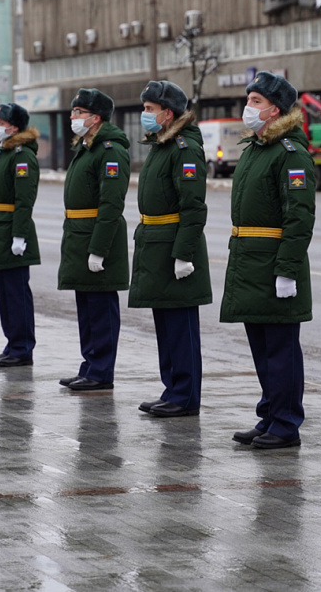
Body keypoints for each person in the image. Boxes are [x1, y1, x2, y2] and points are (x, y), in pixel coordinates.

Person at [221, 71, 315, 449]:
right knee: (262, 347)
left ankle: (286, 423)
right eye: (248, 100)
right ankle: (270, 414)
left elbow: (299, 216)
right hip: (249, 262)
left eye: (255, 102)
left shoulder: (290, 154)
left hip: (274, 264)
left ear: (274, 109)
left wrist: (287, 270)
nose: (248, 107)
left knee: (281, 350)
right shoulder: (257, 149)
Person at [129, 81, 211, 417]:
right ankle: (172, 388)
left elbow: (193, 207)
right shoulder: (162, 146)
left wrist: (184, 254)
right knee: (165, 323)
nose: (144, 114)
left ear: (169, 113)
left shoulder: (184, 148)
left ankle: (185, 395)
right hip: (155, 243)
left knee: (180, 326)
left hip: (173, 247)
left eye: (149, 109)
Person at [57, 89, 130, 391]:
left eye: (79, 112)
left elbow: (111, 204)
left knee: (100, 310)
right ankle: (90, 365)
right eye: (73, 111)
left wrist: (98, 249)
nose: (73, 117)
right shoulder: (88, 148)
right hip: (78, 236)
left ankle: (101, 371)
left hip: (96, 239)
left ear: (96, 118)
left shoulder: (109, 150)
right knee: (87, 310)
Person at [0, 103, 40, 367]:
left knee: (16, 292)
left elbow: (24, 200)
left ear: (14, 127)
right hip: (0, 227)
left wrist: (19, 235)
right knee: (5, 293)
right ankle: (12, 343)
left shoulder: (22, 156)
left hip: (12, 230)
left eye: (0, 121)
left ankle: (22, 347)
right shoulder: (6, 152)